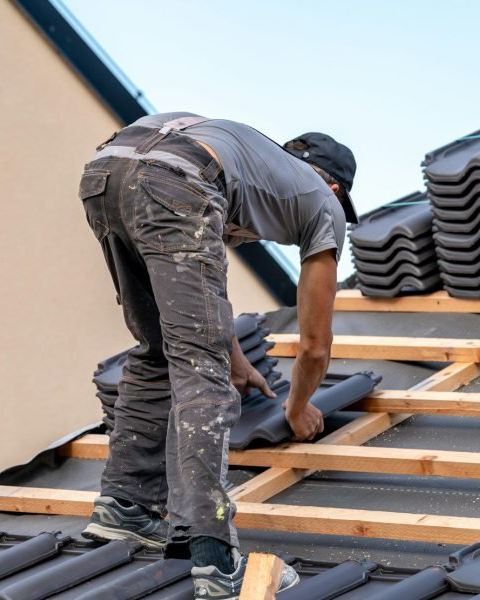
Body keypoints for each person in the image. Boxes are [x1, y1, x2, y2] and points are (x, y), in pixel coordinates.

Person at [76, 112, 357, 599]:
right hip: (176, 177)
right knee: (199, 374)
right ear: (334, 188)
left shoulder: (253, 169)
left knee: (161, 350)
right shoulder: (321, 204)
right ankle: (214, 555)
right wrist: (296, 407)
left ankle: (126, 504)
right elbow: (315, 344)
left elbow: (202, 293)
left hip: (108, 169)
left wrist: (235, 356)